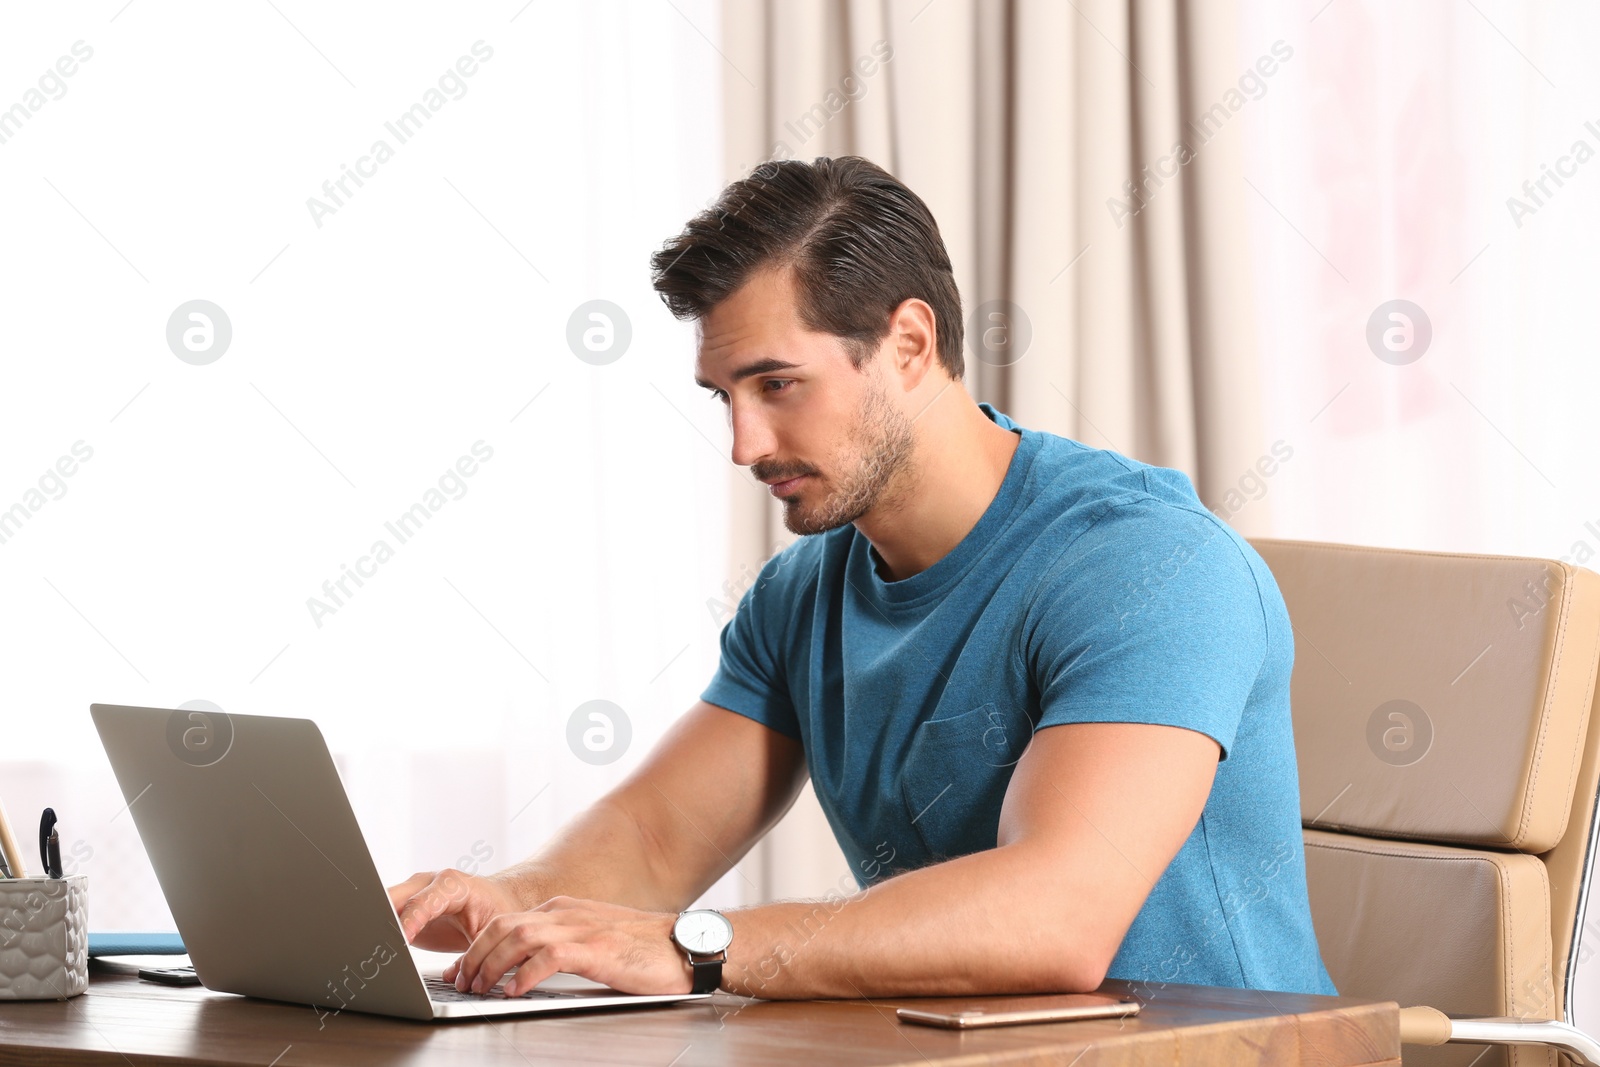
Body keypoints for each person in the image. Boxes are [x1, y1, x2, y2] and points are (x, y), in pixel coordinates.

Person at [388, 155, 1336, 1002]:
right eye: (725, 397)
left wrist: (697, 949)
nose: (743, 444)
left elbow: (1057, 913)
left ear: (910, 345)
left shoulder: (1150, 566)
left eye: (777, 384)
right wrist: (509, 901)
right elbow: (654, 840)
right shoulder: (801, 595)